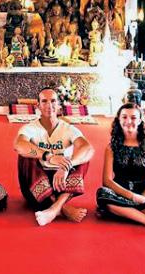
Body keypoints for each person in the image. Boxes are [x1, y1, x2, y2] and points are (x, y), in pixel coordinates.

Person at [14, 87, 94, 226]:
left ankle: (55, 208)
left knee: (83, 158)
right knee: (25, 156)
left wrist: (66, 167)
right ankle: (62, 207)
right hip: (35, 186)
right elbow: (19, 145)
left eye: (53, 101)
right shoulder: (30, 128)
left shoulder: (68, 128)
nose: (49, 105)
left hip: (60, 184)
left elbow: (88, 148)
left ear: (58, 105)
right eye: (44, 101)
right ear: (38, 106)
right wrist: (49, 156)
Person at [96, 103, 145, 233]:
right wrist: (132, 197)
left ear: (140, 120)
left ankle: (123, 214)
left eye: (133, 117)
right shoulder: (111, 148)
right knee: (102, 194)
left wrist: (141, 198)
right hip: (121, 193)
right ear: (118, 120)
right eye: (124, 117)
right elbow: (107, 181)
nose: (128, 121)